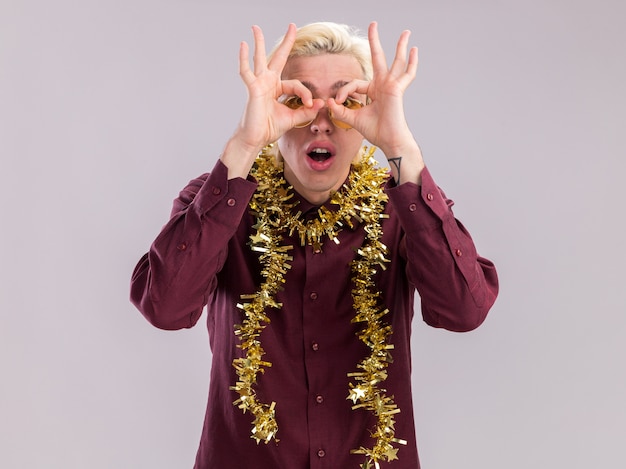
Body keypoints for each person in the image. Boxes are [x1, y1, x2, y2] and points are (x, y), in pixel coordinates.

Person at [130, 21, 499, 469]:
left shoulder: (403, 206)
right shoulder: (216, 199)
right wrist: (245, 145)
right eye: (297, 100)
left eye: (347, 102)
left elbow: (465, 311)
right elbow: (165, 308)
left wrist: (401, 147)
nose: (322, 121)